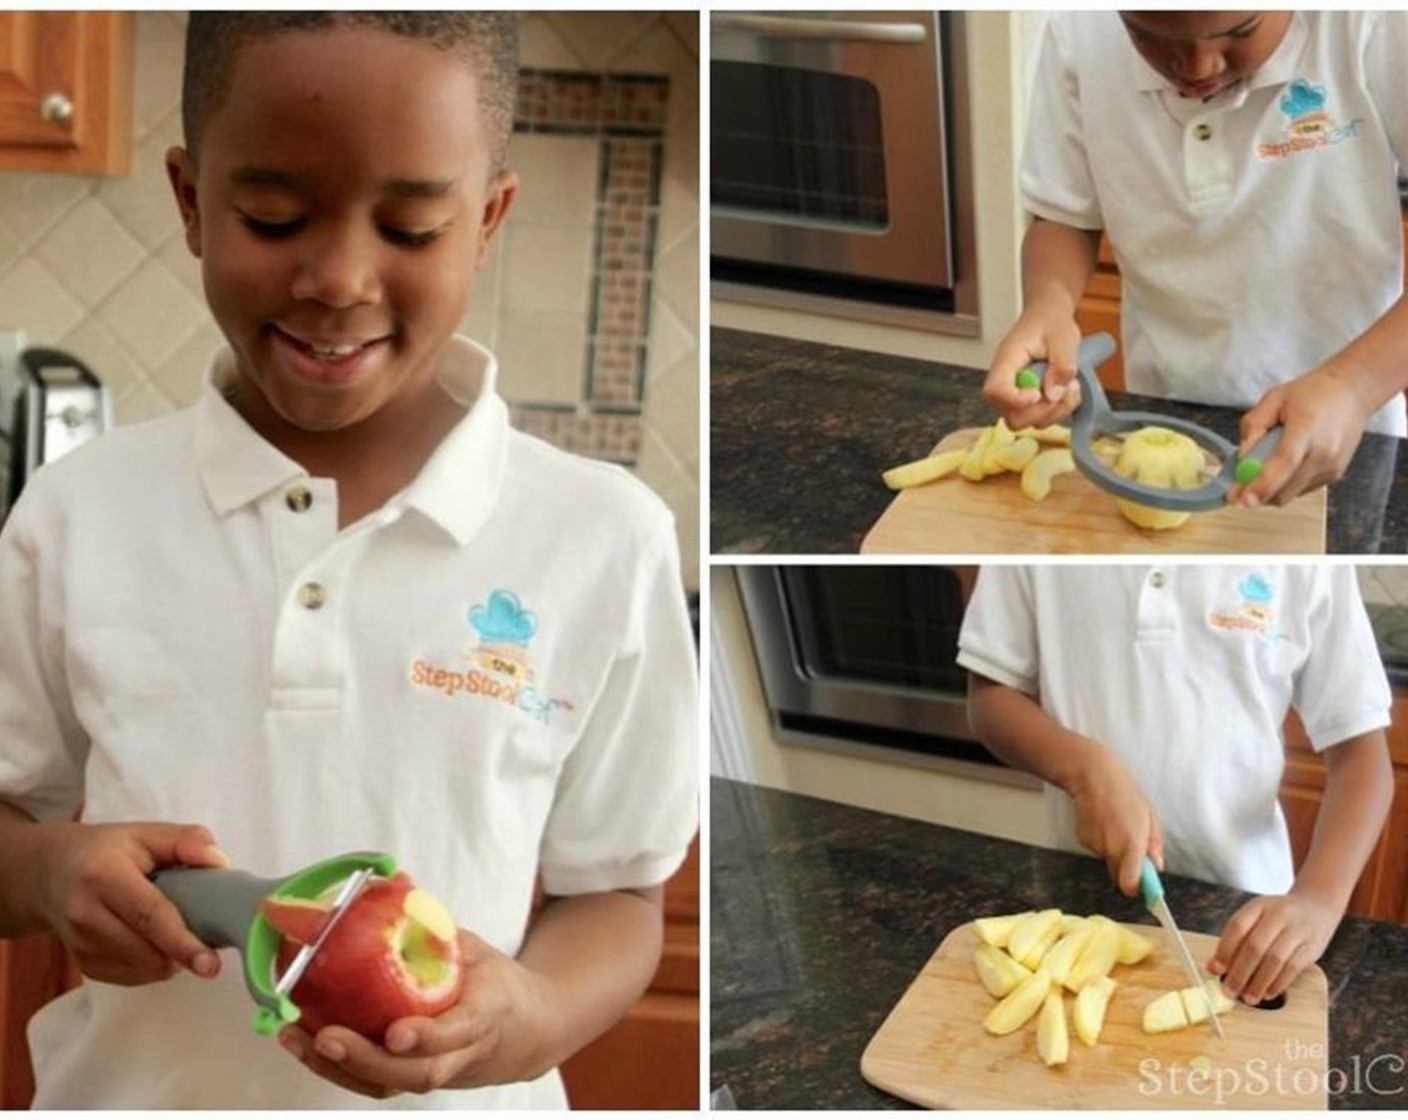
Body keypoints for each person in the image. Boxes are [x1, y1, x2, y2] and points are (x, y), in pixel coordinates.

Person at [0, 12, 697, 1109]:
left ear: (488, 218)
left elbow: (617, 898)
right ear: (189, 202)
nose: (336, 278)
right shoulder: (76, 516)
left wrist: (530, 1018)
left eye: (412, 229)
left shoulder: (602, 539)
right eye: (274, 217)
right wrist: (44, 872)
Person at [984, 11, 1408, 509]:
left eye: (1240, 31)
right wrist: (1048, 306)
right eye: (1151, 34)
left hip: (1345, 427)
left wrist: (1352, 387)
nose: (1198, 66)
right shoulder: (1080, 29)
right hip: (1165, 404)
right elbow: (1064, 213)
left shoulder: (1376, 22)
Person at [957, 564, 1393, 1006]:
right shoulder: (1033, 540)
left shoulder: (1307, 562)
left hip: (1246, 916)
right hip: (1076, 895)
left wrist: (1319, 899)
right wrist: (1086, 771)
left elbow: (1362, 759)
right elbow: (992, 696)